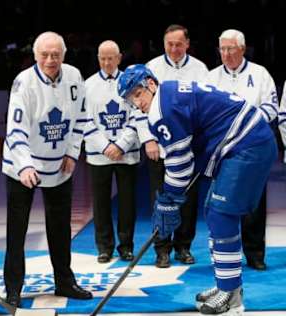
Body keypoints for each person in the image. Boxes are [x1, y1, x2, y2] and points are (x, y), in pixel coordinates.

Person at [118, 64, 276, 315]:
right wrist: (171, 197)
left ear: (150, 83)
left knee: (222, 214)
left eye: (137, 94)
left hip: (247, 144)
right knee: (214, 212)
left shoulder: (162, 108)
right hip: (246, 141)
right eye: (130, 99)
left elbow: (180, 163)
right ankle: (226, 285)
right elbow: (187, 155)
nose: (136, 103)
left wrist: (169, 199)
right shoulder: (168, 92)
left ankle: (232, 297)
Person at [2, 31, 92, 307]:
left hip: (60, 164)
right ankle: (13, 287)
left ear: (64, 55)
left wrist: (73, 152)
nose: (50, 60)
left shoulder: (75, 77)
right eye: (45, 54)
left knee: (60, 227)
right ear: (35, 55)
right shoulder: (24, 82)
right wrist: (25, 165)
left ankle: (64, 281)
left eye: (56, 55)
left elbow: (81, 118)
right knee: (17, 229)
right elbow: (15, 130)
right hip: (23, 165)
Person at [206, 29, 278, 270]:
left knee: (254, 201)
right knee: (221, 202)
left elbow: (272, 107)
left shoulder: (260, 74)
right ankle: (223, 252)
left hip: (253, 147)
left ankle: (255, 253)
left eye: (230, 49)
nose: (225, 54)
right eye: (222, 49)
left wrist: (246, 126)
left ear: (242, 49)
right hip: (223, 150)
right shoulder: (211, 77)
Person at [143, 24, 209, 268]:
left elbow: (203, 109)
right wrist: (147, 139)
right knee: (160, 199)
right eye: (169, 44)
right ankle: (162, 250)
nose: (174, 48)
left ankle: (184, 247)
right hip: (159, 148)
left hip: (188, 150)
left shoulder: (200, 69)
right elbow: (139, 106)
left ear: (187, 44)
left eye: (178, 44)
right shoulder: (151, 68)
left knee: (188, 201)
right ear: (163, 44)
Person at [83, 40, 141, 264]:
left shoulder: (132, 81)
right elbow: (84, 120)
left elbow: (138, 114)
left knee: (128, 203)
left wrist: (121, 145)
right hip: (100, 155)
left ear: (119, 58)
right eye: (103, 58)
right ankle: (104, 247)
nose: (107, 62)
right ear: (98, 59)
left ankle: (126, 246)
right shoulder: (87, 85)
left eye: (111, 58)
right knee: (100, 203)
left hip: (127, 153)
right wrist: (105, 146)